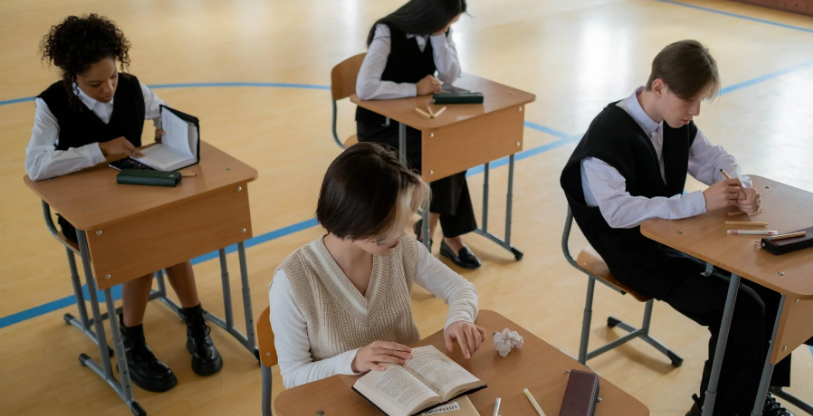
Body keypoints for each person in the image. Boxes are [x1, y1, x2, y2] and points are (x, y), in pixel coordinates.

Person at [560, 40, 804, 416]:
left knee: (770, 285)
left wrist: (737, 186)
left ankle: (756, 395)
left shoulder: (675, 121)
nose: (695, 111)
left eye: (701, 101)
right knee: (739, 307)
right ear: (658, 88)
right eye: (689, 101)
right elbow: (618, 213)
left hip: (675, 240)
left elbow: (717, 159)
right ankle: (716, 409)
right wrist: (702, 202)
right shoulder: (606, 137)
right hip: (633, 254)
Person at [27, 14, 222, 392]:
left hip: (137, 195)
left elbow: (163, 113)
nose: (109, 89)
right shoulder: (51, 104)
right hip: (85, 214)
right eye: (95, 84)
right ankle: (132, 339)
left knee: (172, 240)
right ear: (73, 78)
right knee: (146, 249)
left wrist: (166, 128)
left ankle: (195, 322)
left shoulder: (131, 87)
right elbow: (35, 166)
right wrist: (98, 150)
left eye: (113, 76)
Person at [269, 143, 485, 389]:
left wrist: (459, 318)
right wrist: (354, 360)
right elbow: (294, 376)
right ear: (360, 221)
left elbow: (461, 288)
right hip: (338, 400)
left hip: (407, 391)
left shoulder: (400, 248)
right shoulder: (293, 280)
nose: (405, 232)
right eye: (394, 224)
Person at [355, 0, 481, 269]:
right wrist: (414, 88)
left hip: (416, 121)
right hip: (382, 126)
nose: (448, 28)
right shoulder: (387, 31)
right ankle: (443, 237)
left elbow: (450, 75)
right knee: (445, 157)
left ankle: (432, 233)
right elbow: (365, 88)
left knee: (453, 152)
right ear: (429, 14)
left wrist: (439, 37)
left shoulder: (438, 31)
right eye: (446, 23)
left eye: (450, 26)